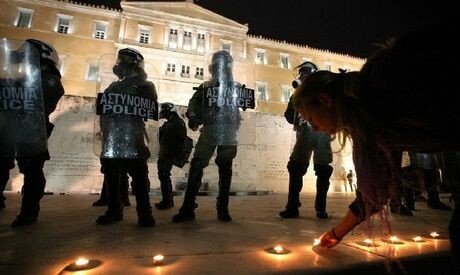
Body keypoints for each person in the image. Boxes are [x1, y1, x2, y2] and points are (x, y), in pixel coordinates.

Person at [292, 24, 460, 259]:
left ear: (325, 99)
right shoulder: (367, 123)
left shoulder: (383, 81)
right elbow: (373, 193)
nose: (314, 128)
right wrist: (336, 233)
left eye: (311, 119)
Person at [0, 39, 64, 226]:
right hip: (11, 129)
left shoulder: (49, 80)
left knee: (32, 171)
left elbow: (41, 96)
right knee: (2, 164)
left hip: (32, 131)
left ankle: (29, 211)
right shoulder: (27, 79)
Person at [172, 50, 242, 222]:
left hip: (228, 131)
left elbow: (239, 110)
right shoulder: (206, 88)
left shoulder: (235, 88)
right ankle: (188, 207)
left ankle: (222, 207)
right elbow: (193, 103)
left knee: (225, 168)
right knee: (197, 165)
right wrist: (193, 116)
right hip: (211, 129)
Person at [96, 48, 157, 227]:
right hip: (114, 137)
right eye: (119, 60)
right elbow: (103, 110)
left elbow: (150, 108)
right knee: (112, 175)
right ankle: (114, 211)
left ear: (133, 64)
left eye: (123, 60)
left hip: (133, 135)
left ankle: (145, 213)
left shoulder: (146, 86)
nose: (119, 63)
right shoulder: (113, 86)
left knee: (139, 176)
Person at [279, 62, 333, 220]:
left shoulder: (297, 95)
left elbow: (289, 117)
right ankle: (320, 209)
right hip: (323, 135)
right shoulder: (325, 93)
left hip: (305, 135)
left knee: (296, 169)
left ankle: (293, 207)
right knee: (323, 171)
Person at [155, 102, 187, 210]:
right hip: (166, 153)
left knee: (164, 175)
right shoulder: (173, 122)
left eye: (164, 112)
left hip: (168, 153)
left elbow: (175, 140)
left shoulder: (176, 123)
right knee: (163, 175)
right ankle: (167, 200)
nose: (163, 114)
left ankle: (167, 201)